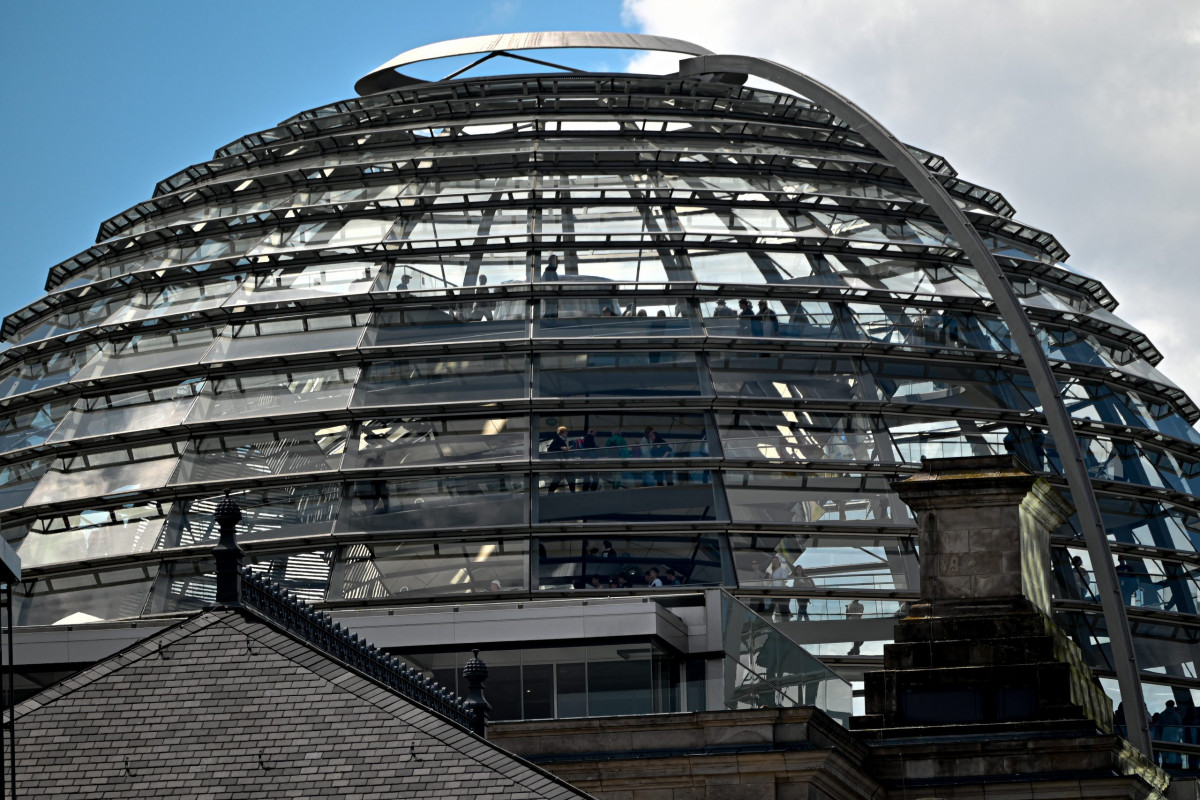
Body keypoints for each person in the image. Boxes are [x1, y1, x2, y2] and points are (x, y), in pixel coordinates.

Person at [546, 425, 575, 492]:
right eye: (566, 432)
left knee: (568, 477)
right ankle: (550, 492)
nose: (567, 433)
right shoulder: (557, 439)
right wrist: (561, 448)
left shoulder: (560, 440)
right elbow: (550, 449)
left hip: (563, 463)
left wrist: (566, 449)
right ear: (562, 433)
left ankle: (550, 492)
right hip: (561, 464)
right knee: (559, 479)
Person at [1158, 700, 1184, 766]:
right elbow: (1180, 725)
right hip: (1174, 736)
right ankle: (1172, 767)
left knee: (1164, 753)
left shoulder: (1162, 714)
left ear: (1166, 705)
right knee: (1172, 753)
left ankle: (1165, 766)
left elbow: (1159, 726)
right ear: (1173, 705)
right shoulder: (1176, 715)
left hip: (1164, 736)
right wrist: (1180, 736)